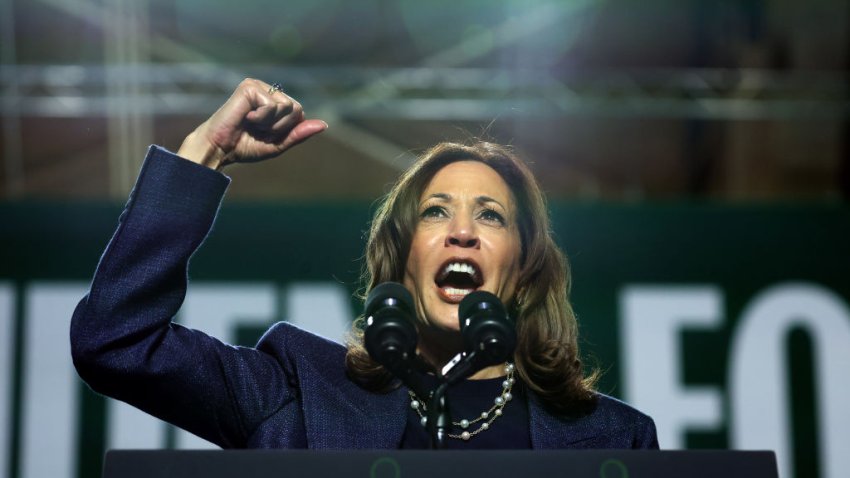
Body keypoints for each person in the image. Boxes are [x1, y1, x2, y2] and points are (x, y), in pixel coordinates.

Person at [70, 78, 658, 449]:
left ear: (524, 269)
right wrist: (207, 153)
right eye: (435, 213)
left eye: (491, 217)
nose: (460, 233)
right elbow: (118, 341)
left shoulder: (611, 439)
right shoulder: (299, 395)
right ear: (401, 259)